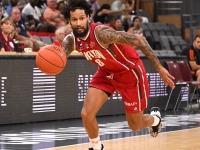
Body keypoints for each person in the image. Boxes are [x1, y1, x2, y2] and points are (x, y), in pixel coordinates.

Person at [60, 0, 175, 150]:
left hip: (130, 73)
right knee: (86, 114)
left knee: (135, 125)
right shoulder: (70, 41)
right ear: (68, 21)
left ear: (88, 17)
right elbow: (58, 61)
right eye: (74, 19)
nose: (79, 23)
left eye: (82, 18)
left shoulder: (102, 34)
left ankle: (155, 120)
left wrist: (159, 68)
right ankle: (97, 147)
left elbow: (140, 40)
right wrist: (51, 61)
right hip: (106, 72)